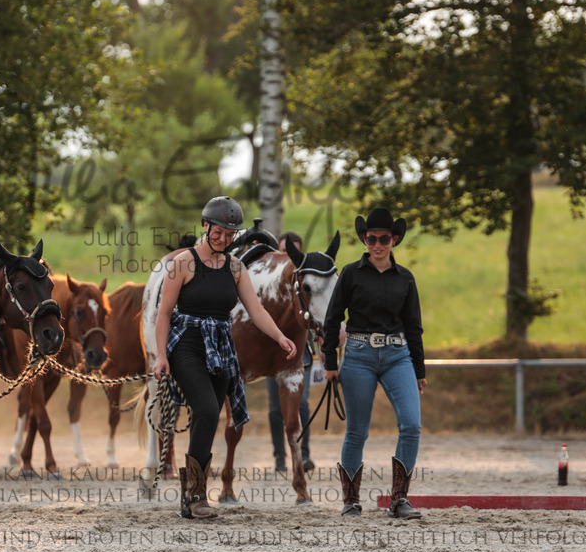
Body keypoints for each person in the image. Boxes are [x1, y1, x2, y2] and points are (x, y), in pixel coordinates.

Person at [153, 196, 298, 519]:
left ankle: (190, 500)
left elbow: (255, 309)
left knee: (210, 416)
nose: (223, 239)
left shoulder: (235, 267)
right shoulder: (183, 264)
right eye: (218, 232)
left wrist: (280, 336)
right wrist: (161, 355)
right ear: (205, 226)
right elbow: (164, 314)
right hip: (186, 343)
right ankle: (195, 496)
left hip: (220, 346)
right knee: (205, 408)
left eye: (230, 235)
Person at [322, 207, 427, 520]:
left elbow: (414, 327)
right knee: (357, 432)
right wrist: (329, 361)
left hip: (398, 355)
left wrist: (419, 370)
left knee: (411, 425)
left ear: (394, 239)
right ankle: (351, 501)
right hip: (358, 355)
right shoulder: (351, 274)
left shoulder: (406, 278)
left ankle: (399, 499)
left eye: (384, 238)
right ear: (364, 239)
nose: (377, 244)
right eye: (371, 238)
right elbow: (332, 318)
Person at [266, 231, 316, 475]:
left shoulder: (305, 281)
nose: (289, 258)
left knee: (301, 404)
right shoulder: (272, 287)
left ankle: (303, 453)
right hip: (273, 352)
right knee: (276, 409)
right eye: (285, 252)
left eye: (294, 252)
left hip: (301, 352)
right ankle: (279, 458)